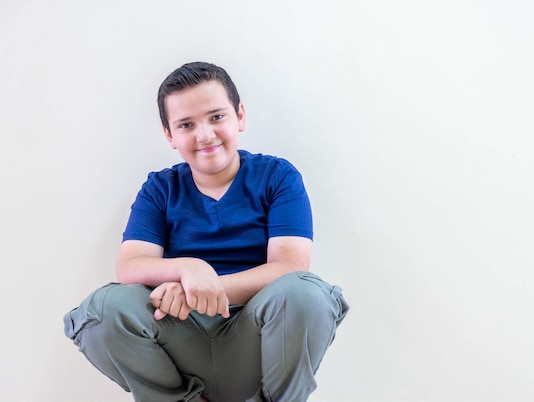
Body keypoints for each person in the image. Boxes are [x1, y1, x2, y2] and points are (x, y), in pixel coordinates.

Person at [63, 61, 349, 402]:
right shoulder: (161, 189)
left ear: (240, 116)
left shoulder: (278, 177)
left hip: (256, 339)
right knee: (104, 309)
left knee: (305, 294)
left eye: (217, 117)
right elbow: (130, 265)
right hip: (182, 336)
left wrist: (205, 289)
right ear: (170, 135)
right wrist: (188, 268)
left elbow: (290, 267)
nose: (205, 135)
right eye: (186, 124)